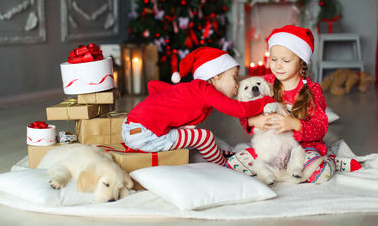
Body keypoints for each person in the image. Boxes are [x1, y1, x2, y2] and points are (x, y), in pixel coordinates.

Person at [226, 25, 362, 183]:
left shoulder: (312, 89)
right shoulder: (265, 82)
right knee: (233, 165)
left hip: (304, 146)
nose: (278, 65)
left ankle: (331, 160)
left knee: (319, 172)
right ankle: (276, 171)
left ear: (301, 62)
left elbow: (320, 126)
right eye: (274, 59)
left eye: (286, 60)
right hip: (271, 147)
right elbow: (243, 109)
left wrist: (295, 124)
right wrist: (253, 120)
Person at [122, 47, 274, 166]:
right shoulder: (205, 90)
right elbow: (239, 110)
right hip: (144, 134)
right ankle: (225, 167)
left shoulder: (193, 89)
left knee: (204, 136)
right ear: (216, 75)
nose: (236, 85)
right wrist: (265, 100)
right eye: (234, 77)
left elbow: (154, 86)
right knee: (204, 137)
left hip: (130, 128)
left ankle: (228, 151)